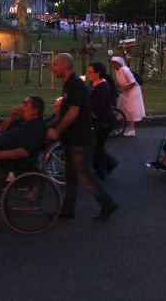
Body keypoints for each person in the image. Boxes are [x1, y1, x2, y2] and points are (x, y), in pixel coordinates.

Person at [48, 53, 117, 221]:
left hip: (81, 139)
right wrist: (48, 126)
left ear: (65, 66)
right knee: (70, 176)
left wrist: (56, 131)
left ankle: (108, 203)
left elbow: (73, 112)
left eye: (55, 64)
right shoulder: (69, 85)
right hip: (72, 139)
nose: (52, 67)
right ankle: (68, 209)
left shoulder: (75, 85)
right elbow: (65, 111)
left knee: (86, 175)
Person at [87, 61, 118, 179]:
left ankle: (101, 171)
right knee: (97, 145)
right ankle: (108, 164)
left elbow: (98, 108)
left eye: (90, 72)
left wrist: (87, 108)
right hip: (98, 121)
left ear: (98, 73)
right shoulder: (93, 84)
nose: (88, 74)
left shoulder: (103, 87)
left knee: (98, 146)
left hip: (104, 122)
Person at [110, 56, 144, 137]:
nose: (113, 65)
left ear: (119, 63)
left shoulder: (125, 70)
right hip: (125, 92)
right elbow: (121, 81)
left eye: (114, 63)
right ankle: (124, 127)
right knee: (122, 108)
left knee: (130, 110)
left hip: (132, 92)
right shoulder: (117, 71)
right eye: (112, 63)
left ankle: (132, 130)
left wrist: (123, 89)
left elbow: (133, 82)